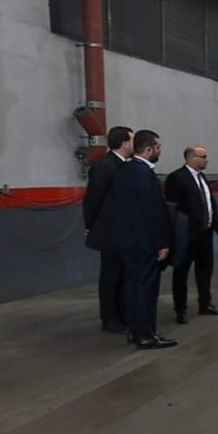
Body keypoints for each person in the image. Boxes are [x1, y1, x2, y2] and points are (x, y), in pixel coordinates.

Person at [111, 130, 177, 350]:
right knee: (145, 290)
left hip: (128, 241)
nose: (159, 151)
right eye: (157, 147)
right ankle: (147, 335)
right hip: (144, 243)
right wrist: (161, 243)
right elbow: (151, 213)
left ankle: (136, 330)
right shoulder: (143, 173)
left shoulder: (125, 170)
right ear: (148, 149)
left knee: (133, 288)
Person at [165, 145, 218, 324]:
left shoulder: (202, 178)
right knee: (181, 272)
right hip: (186, 235)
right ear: (190, 158)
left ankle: (205, 303)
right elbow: (173, 208)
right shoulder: (177, 178)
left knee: (205, 270)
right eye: (203, 156)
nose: (206, 160)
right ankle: (180, 309)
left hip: (205, 233)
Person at [82, 126, 133, 334]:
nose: (134, 144)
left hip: (124, 231)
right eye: (132, 140)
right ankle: (109, 318)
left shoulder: (126, 167)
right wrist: (91, 226)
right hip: (110, 231)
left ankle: (122, 314)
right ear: (123, 143)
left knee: (123, 275)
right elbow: (93, 199)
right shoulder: (104, 166)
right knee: (110, 277)